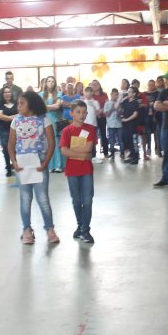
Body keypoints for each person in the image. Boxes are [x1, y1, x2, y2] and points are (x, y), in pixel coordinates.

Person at [8, 91, 59, 245]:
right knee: (25, 198)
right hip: (22, 164)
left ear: (31, 104)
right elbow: (11, 144)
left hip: (39, 163)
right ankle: (26, 229)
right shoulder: (16, 121)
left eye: (22, 103)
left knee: (43, 198)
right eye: (18, 103)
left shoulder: (44, 119)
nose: (18, 106)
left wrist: (46, 163)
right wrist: (14, 161)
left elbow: (51, 143)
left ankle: (50, 229)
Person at [60, 100, 97, 244]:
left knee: (87, 200)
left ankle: (85, 230)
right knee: (76, 200)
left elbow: (88, 148)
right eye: (78, 112)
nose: (81, 115)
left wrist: (72, 151)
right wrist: (82, 155)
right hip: (72, 171)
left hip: (86, 170)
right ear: (71, 113)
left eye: (84, 112)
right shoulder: (67, 131)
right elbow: (63, 151)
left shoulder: (90, 129)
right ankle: (80, 225)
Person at [40, 76, 65, 174]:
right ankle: (50, 165)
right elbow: (39, 107)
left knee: (56, 141)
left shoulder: (59, 94)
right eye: (49, 81)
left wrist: (45, 107)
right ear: (46, 83)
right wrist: (50, 107)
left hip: (55, 120)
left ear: (55, 83)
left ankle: (58, 165)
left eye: (53, 81)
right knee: (47, 142)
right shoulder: (40, 94)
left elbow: (57, 106)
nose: (51, 83)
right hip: (44, 120)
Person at [0, 86, 18, 178]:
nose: (7, 94)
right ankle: (8, 168)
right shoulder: (0, 104)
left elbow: (21, 114)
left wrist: (8, 118)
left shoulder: (16, 103)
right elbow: (0, 116)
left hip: (16, 130)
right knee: (6, 149)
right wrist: (13, 117)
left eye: (9, 92)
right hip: (4, 130)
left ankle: (16, 166)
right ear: (2, 94)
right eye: (5, 92)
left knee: (16, 149)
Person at [83, 86, 103, 164]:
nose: (88, 93)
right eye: (86, 92)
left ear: (92, 93)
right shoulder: (82, 102)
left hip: (93, 125)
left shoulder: (95, 102)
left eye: (90, 92)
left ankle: (93, 157)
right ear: (84, 93)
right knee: (83, 141)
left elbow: (98, 114)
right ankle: (84, 156)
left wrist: (93, 106)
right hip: (84, 124)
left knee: (92, 141)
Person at [120, 86, 140, 165]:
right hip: (124, 125)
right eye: (128, 91)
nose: (128, 93)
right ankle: (129, 157)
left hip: (132, 125)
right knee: (126, 141)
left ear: (134, 93)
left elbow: (135, 114)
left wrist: (126, 120)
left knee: (133, 142)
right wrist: (122, 99)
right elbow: (118, 107)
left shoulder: (135, 102)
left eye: (129, 92)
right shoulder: (125, 101)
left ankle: (135, 158)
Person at [91, 80, 109, 158]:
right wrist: (96, 113)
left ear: (99, 85)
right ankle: (93, 154)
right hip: (93, 118)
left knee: (103, 135)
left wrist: (100, 111)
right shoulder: (91, 96)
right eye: (93, 84)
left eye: (96, 84)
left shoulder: (104, 94)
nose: (95, 85)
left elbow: (107, 105)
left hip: (102, 117)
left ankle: (106, 153)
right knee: (93, 136)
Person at [103, 88, 122, 159]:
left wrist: (118, 110)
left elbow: (121, 114)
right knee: (111, 140)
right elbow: (106, 114)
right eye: (114, 95)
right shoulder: (107, 103)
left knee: (120, 140)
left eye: (117, 95)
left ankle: (122, 153)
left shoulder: (119, 103)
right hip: (110, 125)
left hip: (119, 124)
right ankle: (112, 153)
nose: (115, 96)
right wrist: (112, 108)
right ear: (111, 95)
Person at [144, 79, 161, 157]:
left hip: (156, 115)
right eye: (149, 85)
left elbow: (160, 103)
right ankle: (148, 148)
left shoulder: (158, 93)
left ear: (155, 85)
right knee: (147, 133)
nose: (151, 86)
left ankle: (157, 148)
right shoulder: (144, 94)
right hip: (146, 116)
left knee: (156, 132)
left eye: (152, 85)